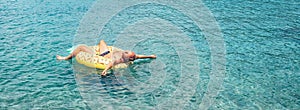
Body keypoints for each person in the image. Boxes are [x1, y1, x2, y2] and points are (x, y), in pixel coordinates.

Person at [56, 40, 156, 76]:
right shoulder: (130, 56)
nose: (125, 51)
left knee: (81, 47)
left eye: (127, 53)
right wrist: (150, 56)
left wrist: (104, 71)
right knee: (102, 42)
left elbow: (111, 63)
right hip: (107, 53)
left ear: (129, 58)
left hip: (101, 57)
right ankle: (66, 58)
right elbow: (140, 56)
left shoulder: (120, 59)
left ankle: (65, 58)